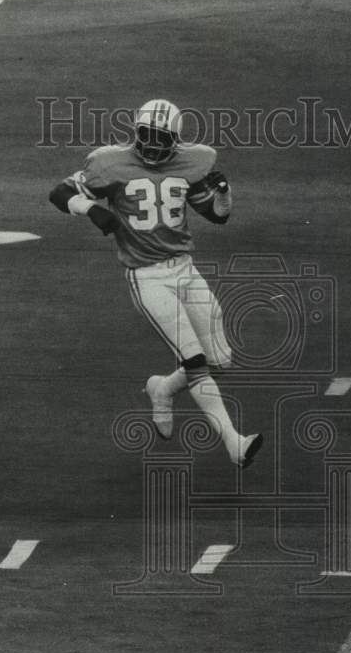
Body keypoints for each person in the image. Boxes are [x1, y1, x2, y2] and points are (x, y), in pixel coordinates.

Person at [49, 99, 262, 467]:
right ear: (135, 132)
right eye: (145, 135)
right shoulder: (109, 162)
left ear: (176, 140)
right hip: (147, 275)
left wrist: (224, 192)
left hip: (185, 269)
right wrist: (92, 209)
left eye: (160, 137)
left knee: (220, 360)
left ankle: (162, 389)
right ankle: (234, 442)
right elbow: (60, 193)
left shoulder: (191, 162)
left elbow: (217, 215)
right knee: (195, 362)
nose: (151, 144)